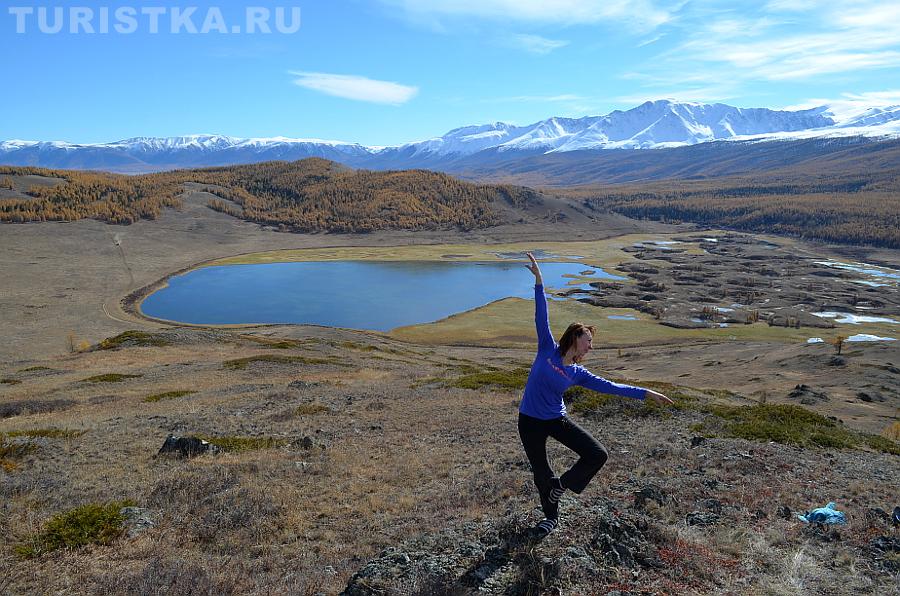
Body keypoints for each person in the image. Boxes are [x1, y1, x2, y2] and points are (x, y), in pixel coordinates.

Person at [519, 252, 674, 538]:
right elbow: (542, 312)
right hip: (528, 420)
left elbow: (612, 387)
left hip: (555, 419)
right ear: (575, 338)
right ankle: (550, 517)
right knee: (541, 471)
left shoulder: (579, 374)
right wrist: (540, 280)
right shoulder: (547, 349)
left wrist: (646, 393)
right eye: (588, 341)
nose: (590, 347)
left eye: (591, 342)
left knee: (597, 454)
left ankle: (560, 487)